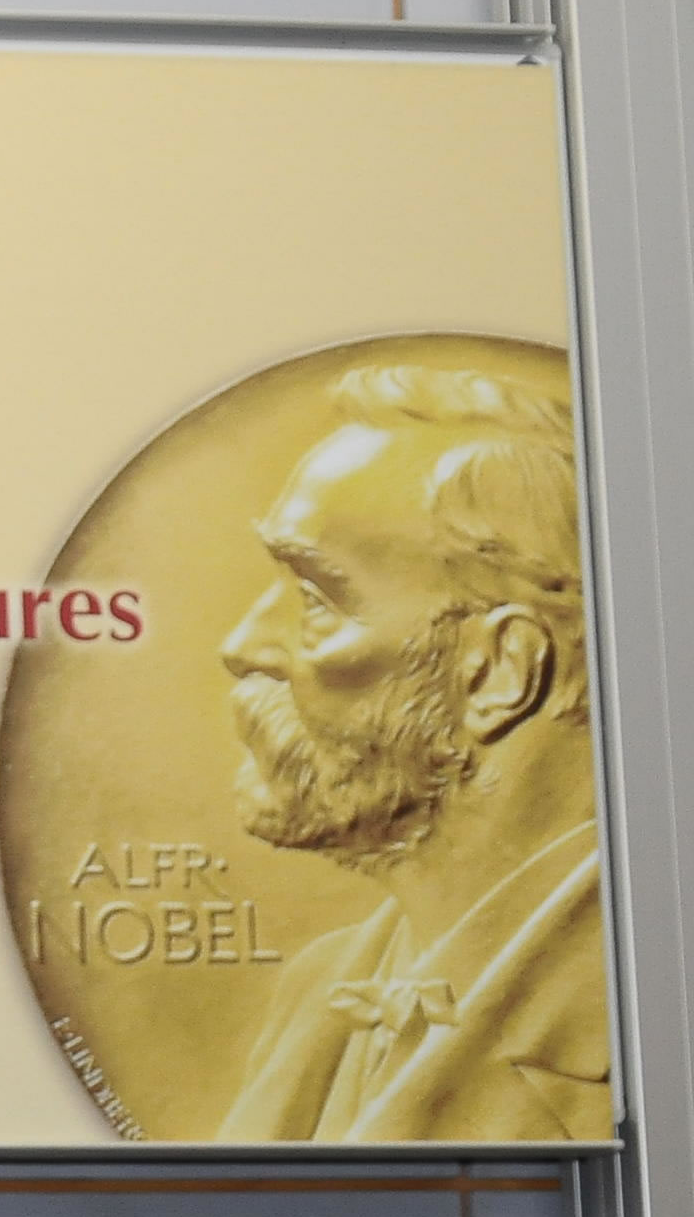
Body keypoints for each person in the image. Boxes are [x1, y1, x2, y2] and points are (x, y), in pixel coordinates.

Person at [214, 363, 608, 1142]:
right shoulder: (321, 988)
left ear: (498, 671)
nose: (243, 646)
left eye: (315, 599)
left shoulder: (643, 1014)